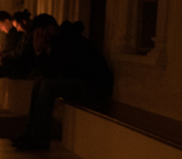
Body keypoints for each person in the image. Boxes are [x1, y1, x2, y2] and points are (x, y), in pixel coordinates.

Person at [12, 14, 113, 150]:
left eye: (40, 34)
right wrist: (38, 53)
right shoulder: (59, 40)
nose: (38, 38)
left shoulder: (68, 39)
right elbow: (48, 71)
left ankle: (40, 139)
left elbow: (52, 72)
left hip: (94, 85)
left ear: (50, 28)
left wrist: (40, 53)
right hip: (81, 80)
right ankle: (31, 133)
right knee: (40, 82)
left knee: (47, 85)